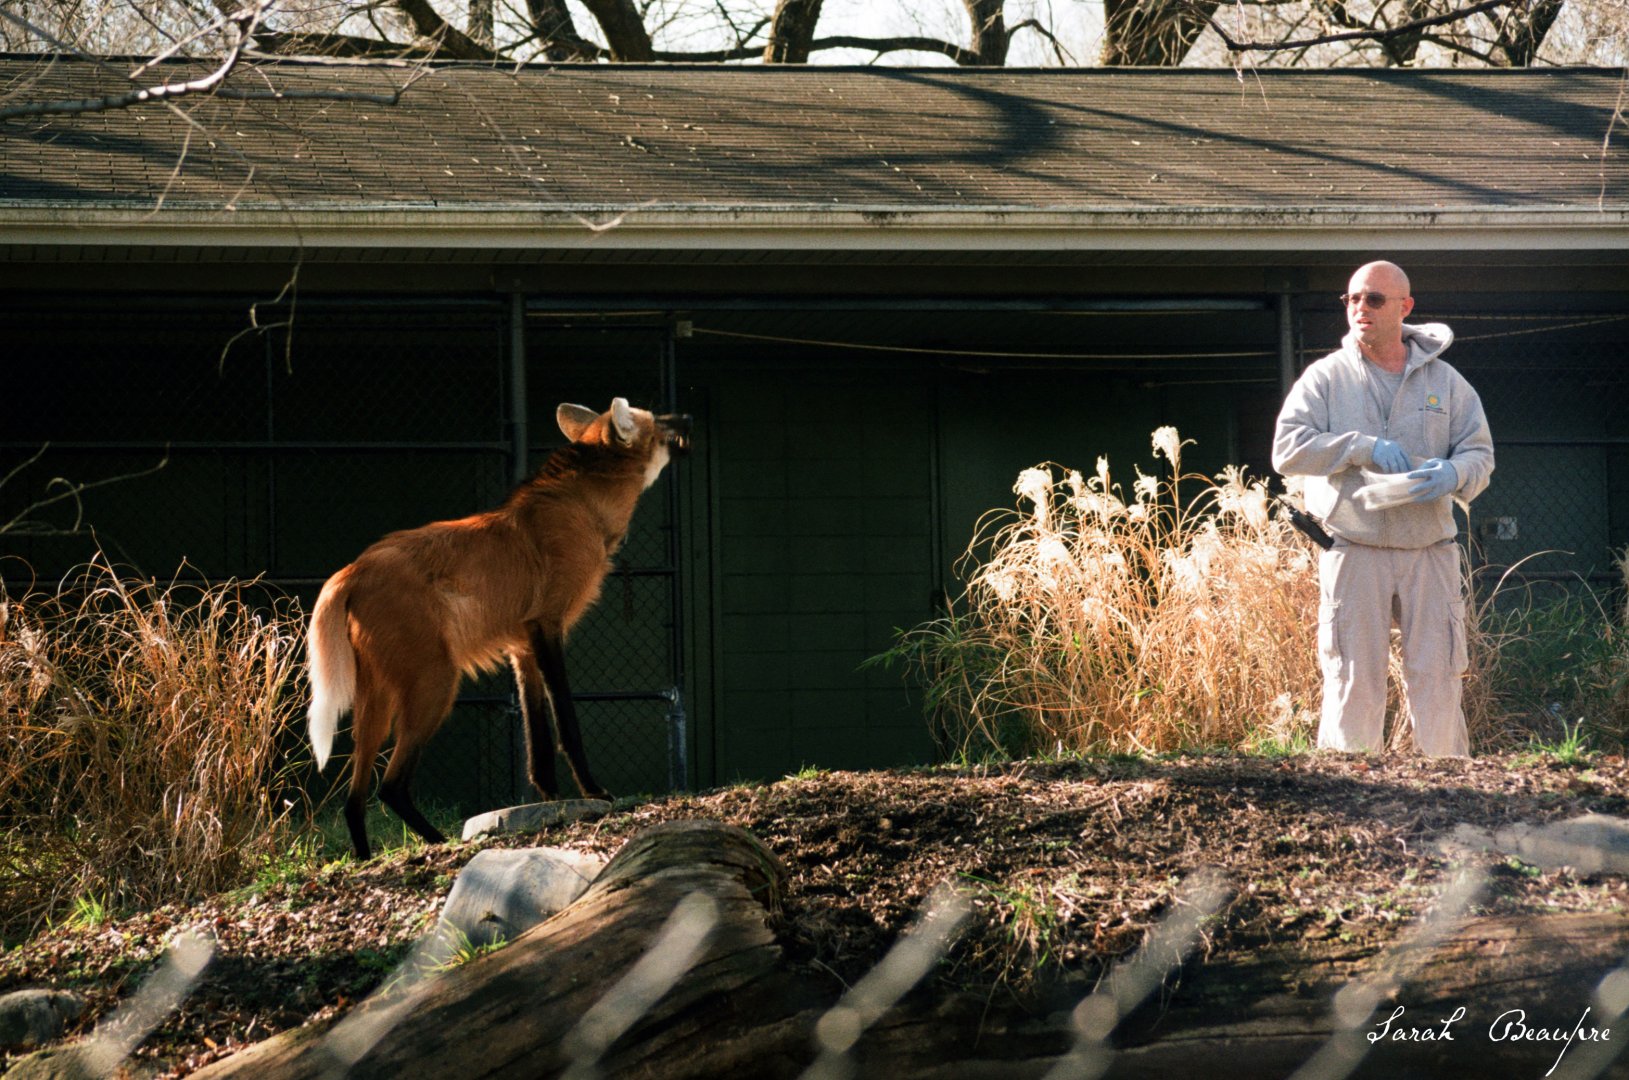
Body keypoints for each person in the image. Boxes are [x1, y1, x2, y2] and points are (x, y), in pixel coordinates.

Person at [1272, 261, 1494, 756]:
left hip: (1430, 550)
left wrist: (1452, 475)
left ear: (1405, 308)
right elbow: (1287, 449)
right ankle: (1349, 806)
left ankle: (1453, 795)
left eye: (1373, 299)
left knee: (1438, 677)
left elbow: (1480, 454)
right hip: (1354, 548)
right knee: (1353, 678)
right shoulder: (1326, 378)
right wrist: (1360, 447)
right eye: (1352, 299)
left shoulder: (1448, 382)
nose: (1359, 309)